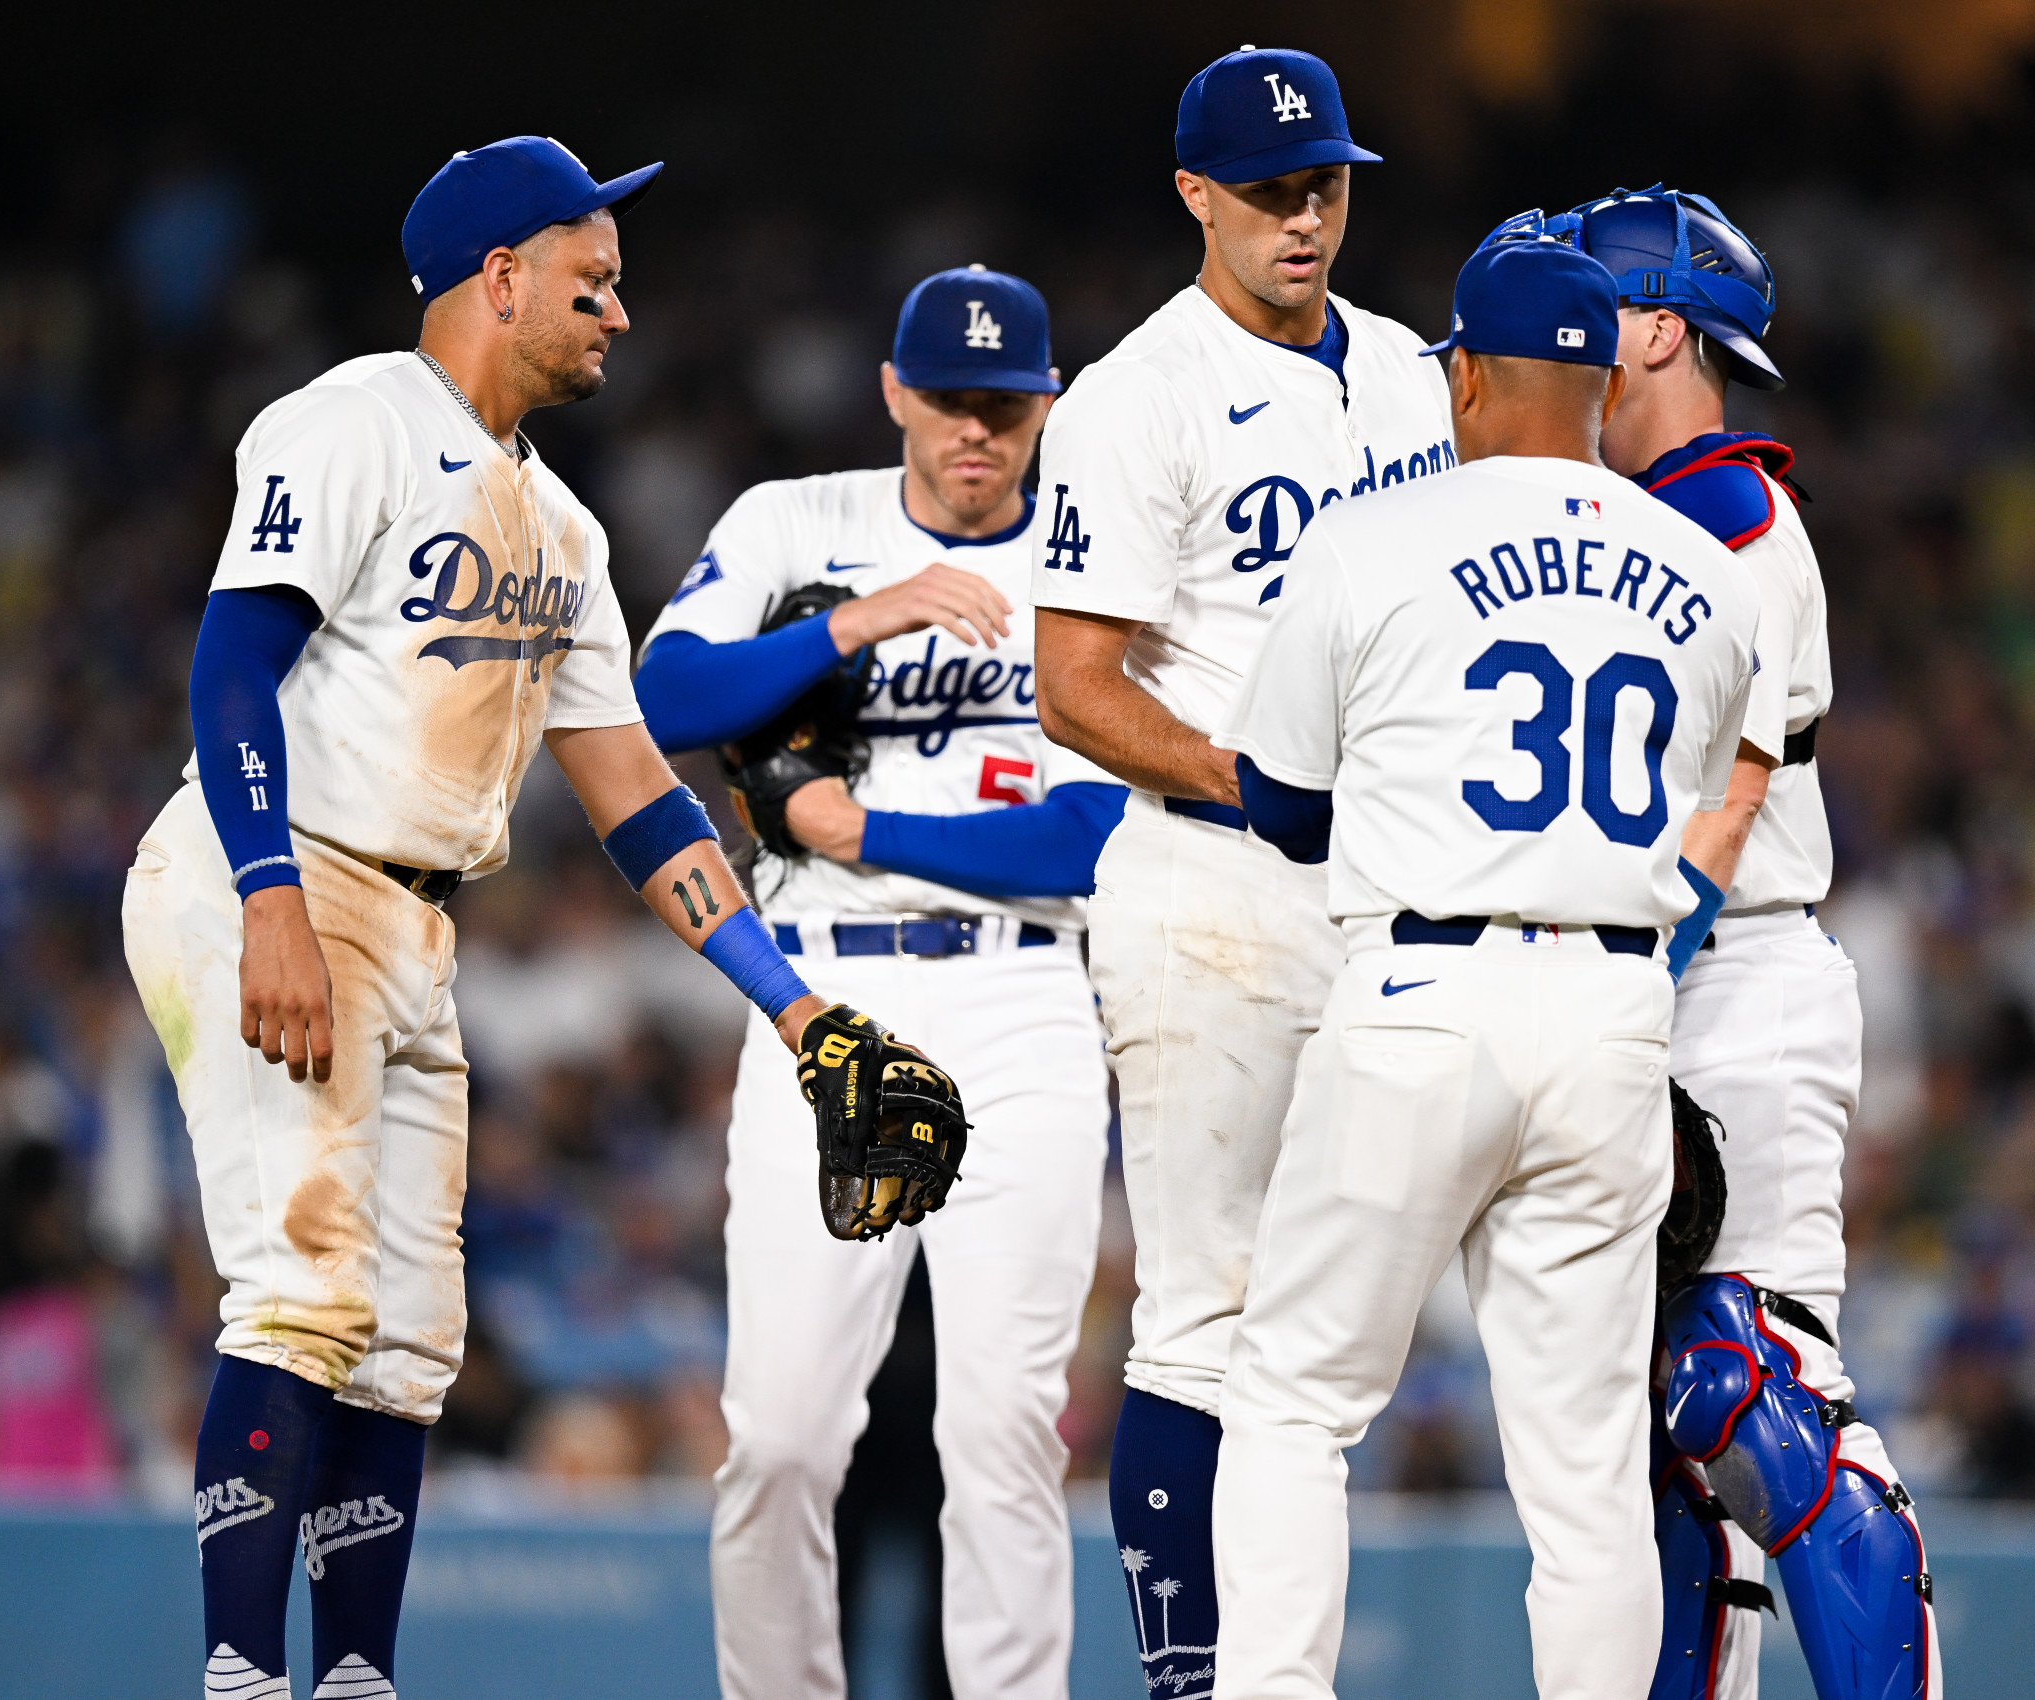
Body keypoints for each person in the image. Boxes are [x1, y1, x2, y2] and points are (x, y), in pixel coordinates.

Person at [122, 137, 925, 1700]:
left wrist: (793, 1004)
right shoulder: (350, 422)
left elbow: (639, 799)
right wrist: (271, 897)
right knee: (304, 1290)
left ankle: (352, 1676)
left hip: (415, 920)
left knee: (412, 1337)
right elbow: (231, 670)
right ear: (500, 277)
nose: (620, 312)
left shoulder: (561, 526)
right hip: (271, 866)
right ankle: (235, 1675)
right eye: (593, 280)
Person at [1208, 236, 1762, 1700]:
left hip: (1421, 991)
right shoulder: (1708, 573)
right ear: (1597, 382)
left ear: (1462, 373)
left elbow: (1277, 799)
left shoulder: (1377, 536)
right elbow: (1694, 789)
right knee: (1584, 1475)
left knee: (1291, 1399)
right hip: (1613, 1012)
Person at [632, 266, 1122, 1700]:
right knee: (779, 1434)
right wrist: (854, 622)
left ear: (1046, 405)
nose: (977, 429)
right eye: (951, 399)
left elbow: (1099, 835)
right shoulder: (798, 524)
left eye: (1006, 404)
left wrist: (865, 830)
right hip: (824, 999)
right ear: (895, 391)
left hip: (1026, 993)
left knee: (1005, 1430)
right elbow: (665, 703)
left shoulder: (1099, 551)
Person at [1028, 46, 1453, 1695]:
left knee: (1334, 1345)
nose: (1304, 215)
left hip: (1391, 886)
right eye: (1271, 188)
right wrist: (1254, 783)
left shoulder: (1417, 374)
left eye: (1326, 184)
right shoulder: (1142, 394)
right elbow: (1077, 687)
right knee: (1206, 1319)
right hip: (1215, 889)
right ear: (1195, 193)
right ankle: (1195, 1678)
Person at [1560, 186, 1942, 1700]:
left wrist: (1623, 989)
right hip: (1642, 979)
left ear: (1653, 327)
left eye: (1583, 303)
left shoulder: (1727, 514)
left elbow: (1718, 817)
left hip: (1730, 976)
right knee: (1641, 1452)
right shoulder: (1626, 513)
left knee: (1748, 1387)